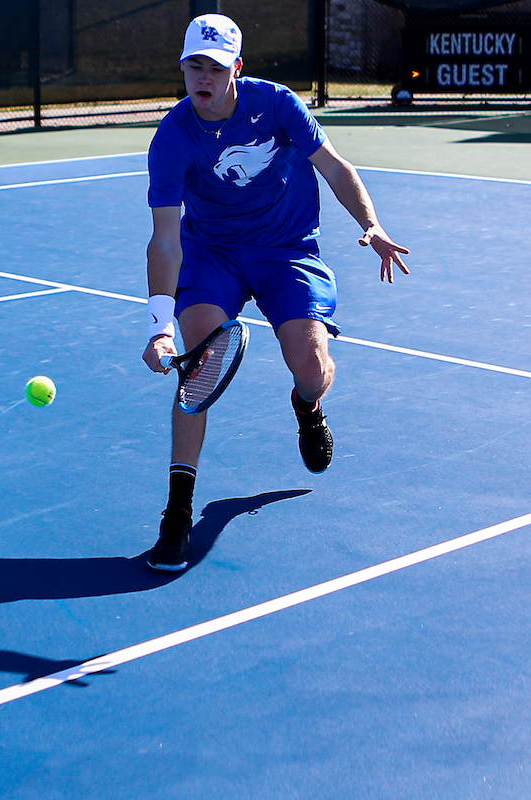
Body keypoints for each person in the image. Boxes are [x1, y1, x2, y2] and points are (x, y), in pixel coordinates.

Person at [141, 14, 410, 572]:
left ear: (236, 69)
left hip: (287, 249)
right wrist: (158, 327)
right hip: (212, 256)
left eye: (215, 67)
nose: (203, 77)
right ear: (184, 70)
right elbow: (166, 240)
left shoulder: (278, 104)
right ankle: (178, 509)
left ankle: (306, 405)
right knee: (198, 367)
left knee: (311, 366)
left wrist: (372, 223)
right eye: (194, 66)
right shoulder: (171, 138)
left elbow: (334, 168)